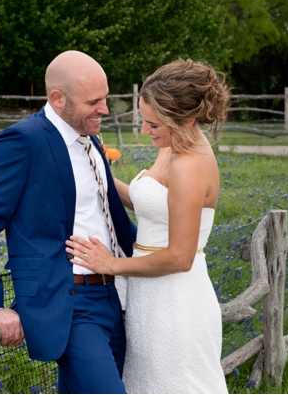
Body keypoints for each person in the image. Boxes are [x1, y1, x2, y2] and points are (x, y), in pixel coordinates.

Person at [0, 50, 136, 394]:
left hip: (114, 295)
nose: (104, 109)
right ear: (58, 98)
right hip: (69, 301)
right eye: (94, 101)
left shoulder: (90, 141)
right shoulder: (23, 141)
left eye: (106, 98)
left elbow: (109, 217)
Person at [65, 58, 230, 394]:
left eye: (153, 124)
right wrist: (99, 173)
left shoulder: (190, 165)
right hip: (151, 296)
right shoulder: (174, 145)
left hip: (176, 302)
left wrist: (110, 264)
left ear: (183, 118)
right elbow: (152, 205)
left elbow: (180, 257)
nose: (145, 131)